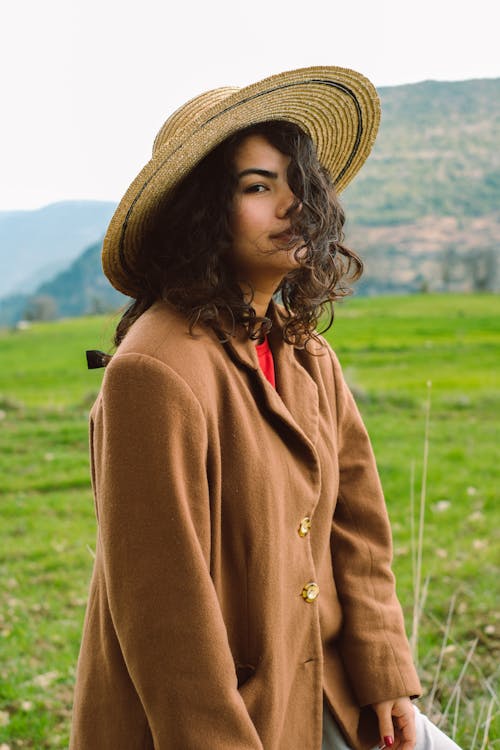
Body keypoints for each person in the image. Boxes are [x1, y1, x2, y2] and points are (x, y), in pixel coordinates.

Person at [70, 67, 461, 750]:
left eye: (297, 183)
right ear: (198, 214)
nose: (293, 206)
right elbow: (165, 621)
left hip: (333, 689)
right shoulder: (153, 373)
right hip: (236, 722)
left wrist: (386, 674)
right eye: (257, 187)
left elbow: (357, 525)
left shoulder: (304, 352)